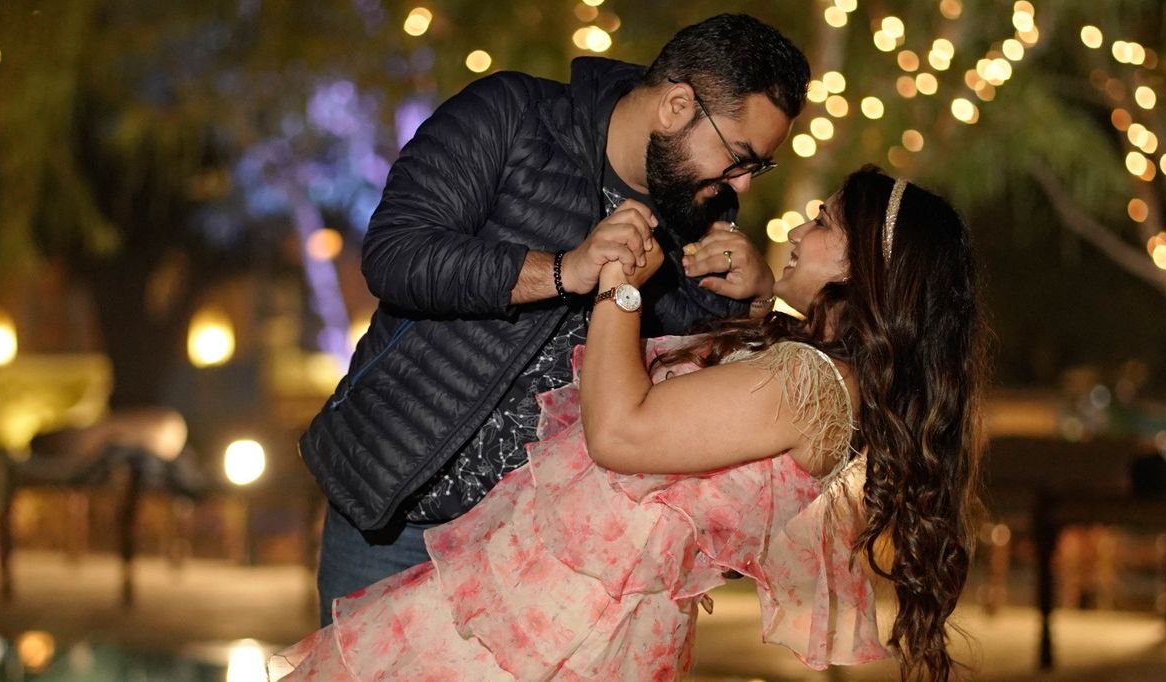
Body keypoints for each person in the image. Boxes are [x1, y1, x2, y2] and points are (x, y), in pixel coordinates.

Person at [279, 167, 988, 681]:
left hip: (560, 631)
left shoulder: (807, 386)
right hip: (555, 611)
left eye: (825, 221)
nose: (800, 229)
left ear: (868, 265)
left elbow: (620, 434)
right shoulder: (820, 375)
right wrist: (770, 289)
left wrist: (619, 283)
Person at [300, 14, 811, 621]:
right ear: (676, 106)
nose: (743, 186)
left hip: (534, 554)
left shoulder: (705, 209)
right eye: (738, 157)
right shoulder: (513, 114)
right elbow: (394, 253)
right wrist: (565, 269)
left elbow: (682, 395)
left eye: (758, 168)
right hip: (394, 514)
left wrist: (748, 303)